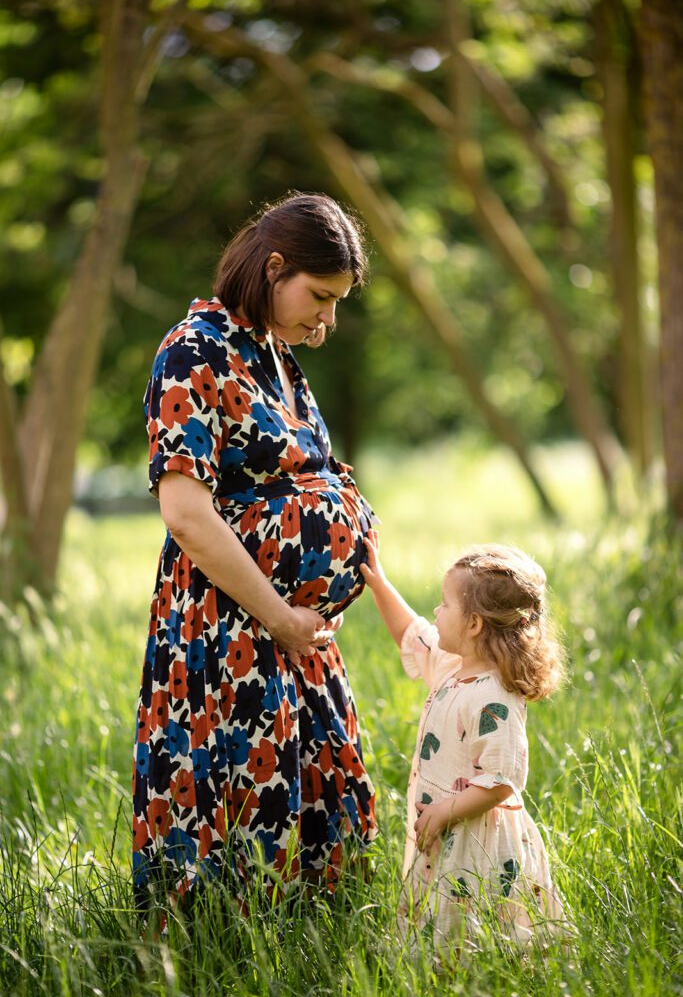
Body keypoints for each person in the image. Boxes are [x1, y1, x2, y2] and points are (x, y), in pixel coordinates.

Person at [132, 193, 378, 916]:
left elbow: (313, 481)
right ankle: (220, 955)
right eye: (320, 297)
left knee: (318, 808)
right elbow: (185, 513)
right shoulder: (193, 349)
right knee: (238, 818)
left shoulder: (273, 355)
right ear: (275, 268)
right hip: (230, 627)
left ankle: (308, 944)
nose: (327, 320)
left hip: (292, 632)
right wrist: (277, 617)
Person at [360, 539, 567, 955]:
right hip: (444, 828)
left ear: (473, 624)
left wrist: (443, 811)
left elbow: (501, 781)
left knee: (475, 929)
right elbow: (411, 633)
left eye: (444, 605)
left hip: (475, 838)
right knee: (442, 919)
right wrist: (377, 582)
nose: (435, 612)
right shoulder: (454, 667)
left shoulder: (494, 697)